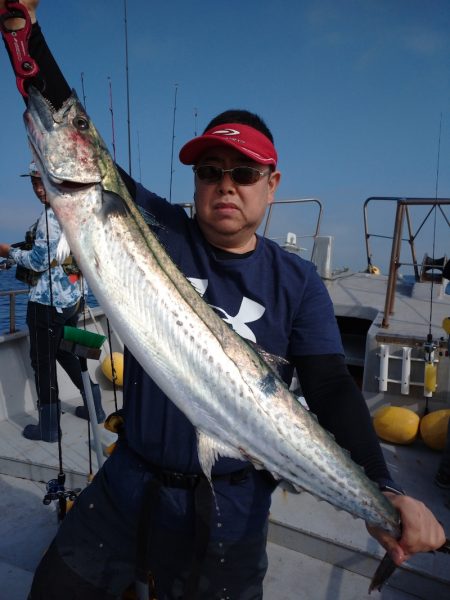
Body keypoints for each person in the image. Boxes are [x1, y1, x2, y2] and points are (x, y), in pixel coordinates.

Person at [0, 2, 446, 598]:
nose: (225, 183)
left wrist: (383, 491)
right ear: (195, 183)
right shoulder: (151, 224)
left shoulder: (298, 281)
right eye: (211, 171)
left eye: (244, 171)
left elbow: (332, 387)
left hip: (231, 504)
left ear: (273, 183)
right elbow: (77, 132)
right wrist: (22, 34)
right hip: (130, 476)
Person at [0, 161, 105, 442]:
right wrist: (12, 258)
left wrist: (5, 250)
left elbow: (37, 260)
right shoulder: (75, 212)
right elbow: (56, 255)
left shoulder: (49, 218)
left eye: (42, 181)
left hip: (45, 307)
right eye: (33, 182)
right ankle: (96, 407)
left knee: (42, 363)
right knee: (69, 350)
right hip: (73, 300)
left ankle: (48, 428)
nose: (37, 188)